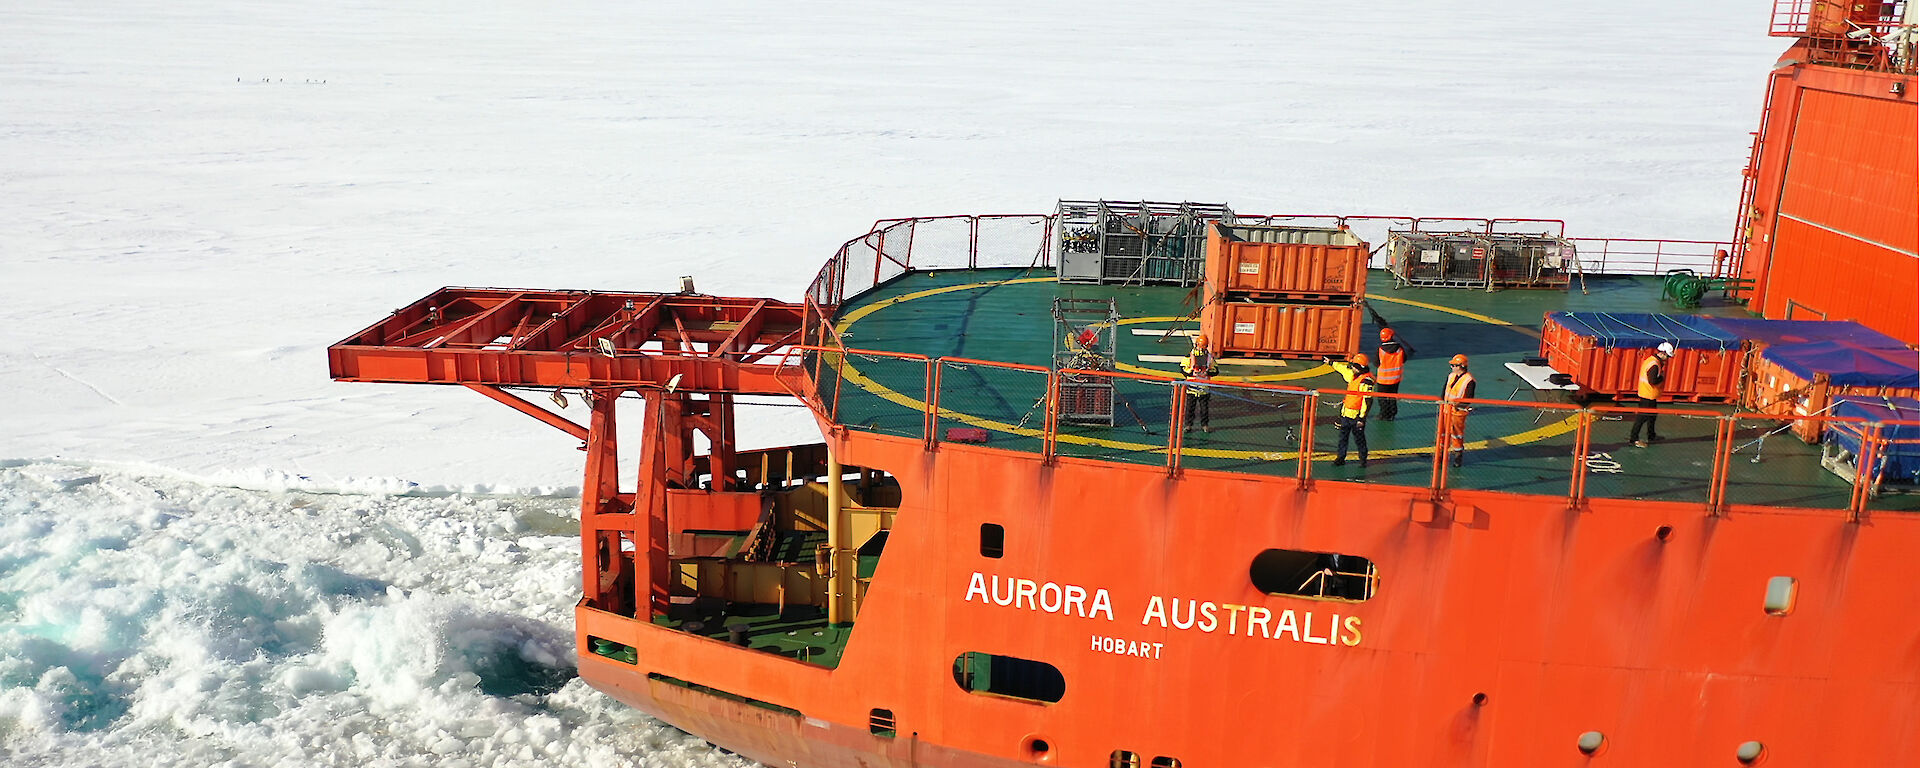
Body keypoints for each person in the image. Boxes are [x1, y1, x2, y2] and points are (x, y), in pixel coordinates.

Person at [1328, 353, 1375, 467]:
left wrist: (1362, 418)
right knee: (1343, 438)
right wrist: (1331, 363)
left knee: (1359, 439)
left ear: (1360, 368)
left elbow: (1367, 401)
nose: (1352, 368)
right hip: (1346, 413)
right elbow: (1343, 369)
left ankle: (1363, 459)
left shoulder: (1366, 381)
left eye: (1354, 366)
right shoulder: (1353, 375)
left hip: (1356, 416)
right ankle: (1340, 457)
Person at [1629, 342, 1674, 447]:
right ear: (1663, 353)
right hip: (1647, 395)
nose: (1667, 358)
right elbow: (1652, 381)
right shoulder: (1654, 364)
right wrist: (1662, 377)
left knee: (1652, 416)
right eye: (1667, 356)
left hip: (1649, 394)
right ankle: (1634, 439)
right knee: (1642, 417)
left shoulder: (1651, 360)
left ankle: (1651, 435)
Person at [1441, 354, 1476, 467]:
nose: (1452, 367)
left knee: (1457, 435)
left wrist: (1457, 405)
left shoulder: (1469, 381)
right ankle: (1441, 454)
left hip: (1458, 412)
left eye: (1453, 365)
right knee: (1442, 433)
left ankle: (1458, 456)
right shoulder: (1451, 376)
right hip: (1446, 410)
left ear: (1461, 366)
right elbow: (1444, 391)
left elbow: (1469, 398)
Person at [1180, 333, 1217, 432]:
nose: (1201, 348)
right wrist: (1192, 371)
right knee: (1189, 409)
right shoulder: (1189, 356)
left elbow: (1216, 370)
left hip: (1204, 389)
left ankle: (1204, 425)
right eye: (1200, 346)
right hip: (1191, 388)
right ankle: (1188, 425)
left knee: (1204, 409)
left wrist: (1207, 372)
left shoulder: (1209, 357)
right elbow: (1182, 369)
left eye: (1203, 346)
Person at [1374, 328, 1409, 421]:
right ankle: (1392, 414)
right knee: (1393, 396)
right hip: (1395, 379)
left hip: (1383, 380)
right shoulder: (1399, 348)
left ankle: (1383, 414)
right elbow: (1404, 359)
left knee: (1382, 398)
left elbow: (1376, 363)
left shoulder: (1380, 350)